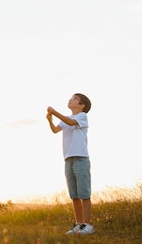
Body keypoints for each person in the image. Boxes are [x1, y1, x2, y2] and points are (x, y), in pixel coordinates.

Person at [46, 93, 95, 235]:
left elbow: (71, 123)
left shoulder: (82, 116)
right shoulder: (67, 119)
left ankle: (88, 225)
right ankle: (79, 224)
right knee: (74, 194)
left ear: (81, 105)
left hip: (81, 158)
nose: (70, 99)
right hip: (68, 159)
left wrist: (55, 112)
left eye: (74, 99)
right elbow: (56, 130)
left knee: (84, 193)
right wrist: (50, 120)